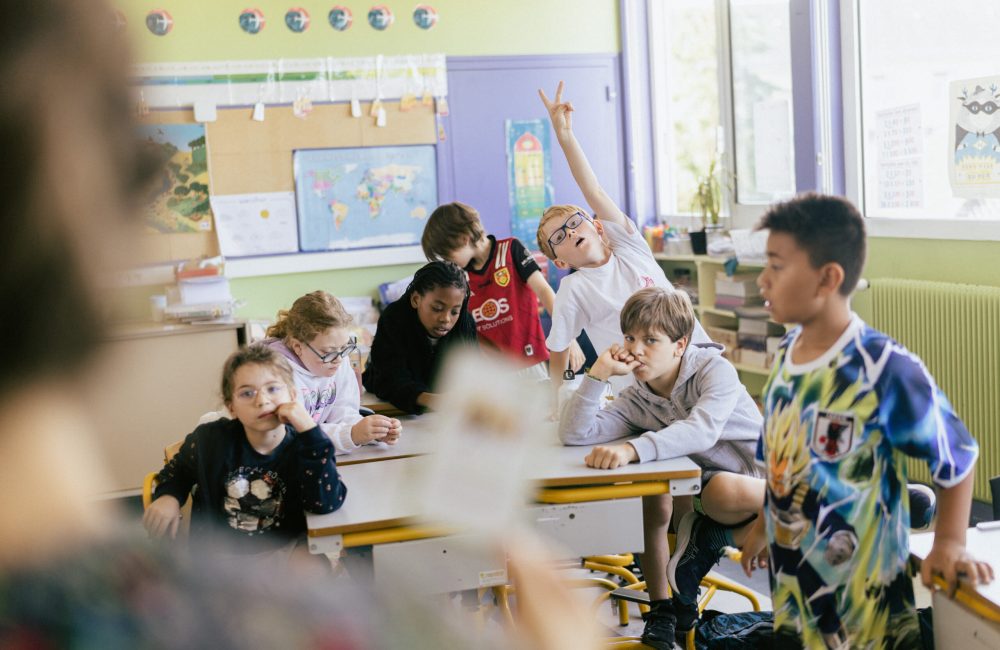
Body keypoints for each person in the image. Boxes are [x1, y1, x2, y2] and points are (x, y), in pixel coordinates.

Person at [739, 193, 994, 649]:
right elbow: (779, 463)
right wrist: (763, 523)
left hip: (869, 608)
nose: (763, 280)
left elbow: (956, 455)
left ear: (828, 278)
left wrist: (949, 543)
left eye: (777, 266)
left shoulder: (883, 367)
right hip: (794, 594)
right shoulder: (785, 356)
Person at [559, 287, 764, 648]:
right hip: (712, 498)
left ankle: (722, 536)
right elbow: (575, 433)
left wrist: (632, 449)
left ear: (680, 345)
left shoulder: (714, 371)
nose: (636, 349)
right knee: (666, 496)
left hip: (762, 484)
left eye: (650, 340)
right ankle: (664, 609)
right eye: (629, 337)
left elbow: (702, 430)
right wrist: (598, 373)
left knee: (735, 493)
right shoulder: (638, 398)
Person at [536, 81, 709, 397]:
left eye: (575, 223)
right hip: (645, 395)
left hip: (699, 365)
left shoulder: (629, 247)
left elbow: (593, 190)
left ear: (598, 227)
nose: (571, 232)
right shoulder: (574, 289)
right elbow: (558, 349)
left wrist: (566, 137)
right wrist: (557, 402)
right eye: (559, 236)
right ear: (559, 261)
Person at [143, 343, 347, 563]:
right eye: (247, 393)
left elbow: (326, 503)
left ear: (292, 395)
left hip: (285, 548)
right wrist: (169, 496)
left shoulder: (306, 445)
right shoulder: (209, 439)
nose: (262, 401)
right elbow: (177, 472)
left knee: (313, 568)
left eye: (273, 389)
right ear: (231, 407)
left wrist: (310, 430)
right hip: (221, 556)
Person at [421, 201, 584, 379]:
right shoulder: (459, 276)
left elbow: (545, 292)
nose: (448, 261)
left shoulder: (511, 249)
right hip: (494, 376)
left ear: (463, 239)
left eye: (447, 255)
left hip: (532, 362)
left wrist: (568, 337)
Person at [265, 290, 402, 453]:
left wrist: (372, 432)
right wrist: (351, 435)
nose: (338, 359)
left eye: (344, 347)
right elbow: (290, 437)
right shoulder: (274, 376)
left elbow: (343, 413)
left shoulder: (337, 359)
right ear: (297, 347)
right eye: (328, 352)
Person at [363, 261, 478, 414]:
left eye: (454, 312)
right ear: (416, 299)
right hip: (395, 408)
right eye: (437, 308)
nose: (446, 319)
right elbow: (390, 380)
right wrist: (433, 400)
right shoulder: (394, 319)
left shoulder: (465, 324)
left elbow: (472, 375)